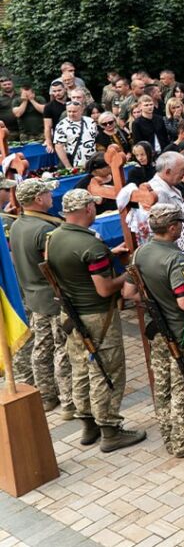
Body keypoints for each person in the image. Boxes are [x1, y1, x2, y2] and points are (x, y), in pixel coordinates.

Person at [46, 189, 146, 452]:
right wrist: (127, 274)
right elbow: (104, 288)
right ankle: (110, 429)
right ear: (89, 209)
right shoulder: (90, 245)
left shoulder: (53, 238)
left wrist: (107, 254)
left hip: (72, 316)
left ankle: (88, 424)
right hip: (97, 316)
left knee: (81, 370)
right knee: (106, 371)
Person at [124, 204, 184, 458]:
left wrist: (156, 298)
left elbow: (129, 292)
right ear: (172, 227)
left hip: (160, 330)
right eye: (181, 224)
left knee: (163, 384)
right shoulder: (175, 259)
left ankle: (170, 433)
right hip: (183, 331)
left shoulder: (141, 252)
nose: (183, 227)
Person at [9, 179, 73, 417]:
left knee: (41, 347)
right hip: (52, 298)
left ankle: (46, 395)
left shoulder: (17, 224)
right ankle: (69, 401)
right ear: (38, 199)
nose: (51, 197)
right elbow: (55, 264)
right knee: (61, 348)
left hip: (33, 295)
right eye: (47, 193)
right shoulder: (44, 229)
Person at [53, 95, 98, 168]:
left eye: (74, 111)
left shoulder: (90, 121)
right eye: (69, 111)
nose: (71, 114)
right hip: (75, 163)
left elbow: (95, 138)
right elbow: (59, 147)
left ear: (81, 110)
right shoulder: (61, 125)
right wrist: (68, 166)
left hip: (93, 161)